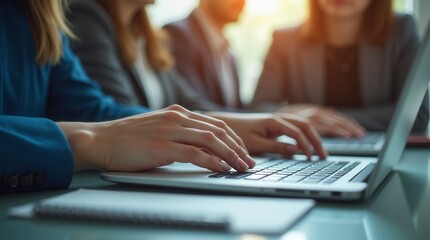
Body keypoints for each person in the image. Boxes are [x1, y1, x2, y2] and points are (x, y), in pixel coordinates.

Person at [0, 0, 326, 193]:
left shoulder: (42, 14)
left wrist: (223, 126)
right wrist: (92, 140)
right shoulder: (83, 14)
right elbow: (96, 120)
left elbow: (90, 107)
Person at [252, 0, 429, 138]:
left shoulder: (401, 30)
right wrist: (299, 116)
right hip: (307, 153)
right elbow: (258, 110)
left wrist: (326, 120)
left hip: (379, 155)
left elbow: (417, 115)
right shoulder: (285, 40)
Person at [68, 0, 223, 112]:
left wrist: (239, 122)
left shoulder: (149, 38)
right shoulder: (86, 17)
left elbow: (190, 103)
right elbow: (122, 117)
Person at [164, 0, 245, 110]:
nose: (242, 2)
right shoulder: (178, 34)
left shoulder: (228, 53)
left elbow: (236, 108)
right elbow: (193, 107)